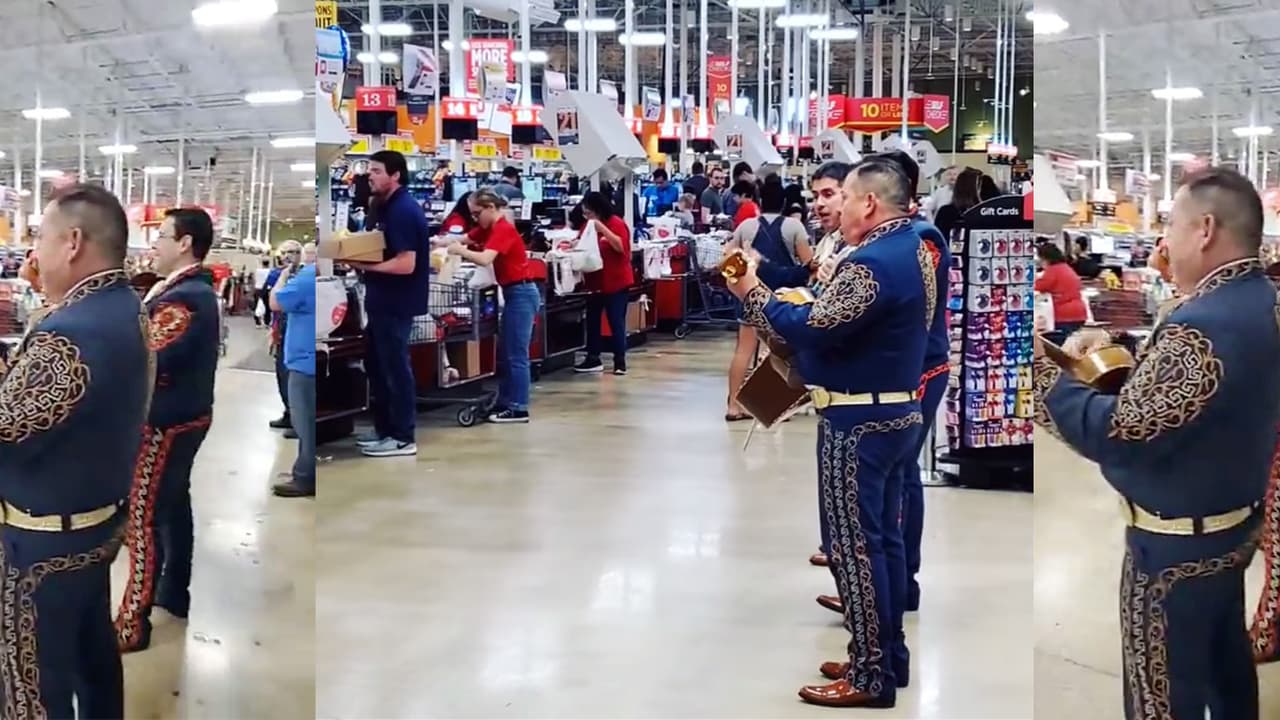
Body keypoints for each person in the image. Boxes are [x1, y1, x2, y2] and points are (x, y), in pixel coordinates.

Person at [1034, 166, 1280, 719]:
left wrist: (1040, 378)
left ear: (1206, 229)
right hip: (1232, 525)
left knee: (1161, 694)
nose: (1164, 238)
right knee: (1224, 665)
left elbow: (1120, 434)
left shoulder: (1204, 324)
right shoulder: (1262, 301)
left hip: (1172, 546)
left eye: (1171, 222)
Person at [728, 159, 931, 708]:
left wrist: (751, 288)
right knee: (882, 544)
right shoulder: (914, 248)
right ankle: (886, 655)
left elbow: (810, 328)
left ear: (868, 202)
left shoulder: (872, 263)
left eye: (841, 195)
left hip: (857, 421)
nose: (833, 207)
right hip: (895, 410)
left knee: (854, 548)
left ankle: (869, 675)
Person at [0, 185, 151, 717]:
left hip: (41, 543)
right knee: (90, 653)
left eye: (39, 236)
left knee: (30, 683)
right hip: (94, 523)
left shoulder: (70, 333)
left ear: (73, 243)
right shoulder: (123, 307)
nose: (33, 252)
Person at [115, 207, 222, 654]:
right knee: (174, 504)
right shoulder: (183, 290)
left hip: (165, 421)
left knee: (141, 519)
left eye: (161, 235)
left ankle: (132, 623)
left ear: (184, 243)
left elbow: (147, 352)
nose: (153, 244)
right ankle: (174, 591)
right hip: (185, 414)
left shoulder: (187, 298)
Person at [347, 150, 430, 457]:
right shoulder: (383, 207)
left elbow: (406, 264)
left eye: (377, 171)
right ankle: (385, 430)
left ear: (395, 175)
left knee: (395, 368)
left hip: (397, 302)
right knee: (379, 367)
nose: (371, 175)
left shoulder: (404, 211)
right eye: (369, 171)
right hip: (381, 301)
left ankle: (403, 436)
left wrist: (365, 267)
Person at [444, 189, 541, 422]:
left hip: (521, 293)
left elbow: (485, 258)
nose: (475, 218)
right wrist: (437, 242)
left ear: (490, 208)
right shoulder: (488, 228)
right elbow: (464, 237)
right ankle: (506, 402)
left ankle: (518, 408)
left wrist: (460, 251)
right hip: (512, 293)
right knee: (507, 353)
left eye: (477, 213)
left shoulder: (503, 229)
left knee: (517, 355)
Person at [724, 177, 813, 421]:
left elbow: (728, 258)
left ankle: (733, 405)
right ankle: (773, 406)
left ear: (760, 201)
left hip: (750, 294)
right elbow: (809, 265)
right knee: (774, 353)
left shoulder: (746, 227)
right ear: (785, 202)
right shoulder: (795, 228)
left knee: (743, 351)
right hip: (782, 301)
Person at [271, 243, 317, 498]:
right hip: (311, 355)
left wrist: (283, 277)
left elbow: (275, 302)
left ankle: (305, 476)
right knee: (306, 419)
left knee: (305, 422)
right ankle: (303, 469)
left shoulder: (307, 278)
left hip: (302, 360)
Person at [574, 191, 634, 376]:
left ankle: (620, 362)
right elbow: (582, 244)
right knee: (592, 320)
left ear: (598, 211)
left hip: (616, 282)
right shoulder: (587, 226)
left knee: (616, 321)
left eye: (589, 213)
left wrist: (603, 230)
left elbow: (621, 247)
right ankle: (593, 358)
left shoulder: (616, 224)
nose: (587, 217)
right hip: (595, 282)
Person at [267, 242, 301, 435]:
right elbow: (269, 301)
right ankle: (289, 414)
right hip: (280, 328)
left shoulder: (303, 278)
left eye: (294, 252)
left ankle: (298, 419)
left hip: (296, 331)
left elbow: (277, 302)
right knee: (281, 372)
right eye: (285, 252)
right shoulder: (277, 274)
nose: (289, 256)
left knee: (293, 375)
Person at [1035, 242, 1088, 346]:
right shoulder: (1066, 268)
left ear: (1045, 258)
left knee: (1058, 348)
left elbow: (1039, 286)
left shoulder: (1053, 270)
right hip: (1079, 313)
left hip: (1064, 315)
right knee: (1071, 347)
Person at [932, 166, 983, 241]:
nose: (952, 177)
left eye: (954, 174)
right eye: (949, 174)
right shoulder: (982, 213)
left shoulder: (944, 211)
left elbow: (937, 240)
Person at [252, 258, 270, 327]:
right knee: (267, 306)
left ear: (262, 264)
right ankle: (267, 322)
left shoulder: (257, 271)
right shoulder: (270, 271)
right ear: (268, 264)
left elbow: (254, 278)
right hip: (266, 289)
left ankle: (257, 322)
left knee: (257, 305)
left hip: (258, 289)